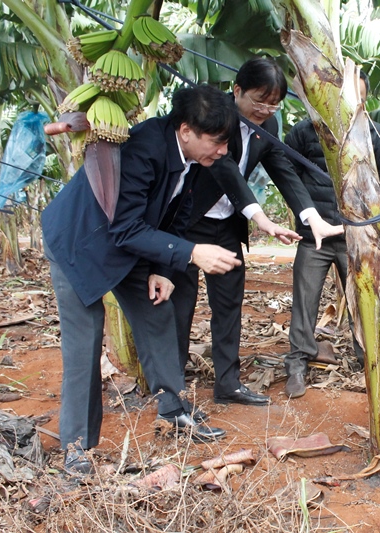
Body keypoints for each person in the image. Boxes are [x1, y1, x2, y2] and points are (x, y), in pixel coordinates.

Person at [42, 85, 240, 475]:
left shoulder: (194, 161)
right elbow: (124, 228)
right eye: (216, 142)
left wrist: (164, 270)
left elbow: (180, 215)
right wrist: (192, 253)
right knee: (85, 342)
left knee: (157, 314)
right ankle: (77, 446)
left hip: (129, 242)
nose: (223, 152)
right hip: (81, 246)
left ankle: (176, 409)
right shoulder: (142, 150)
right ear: (186, 131)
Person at [170, 58, 342, 406]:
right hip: (187, 221)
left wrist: (310, 215)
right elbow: (225, 168)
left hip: (227, 225)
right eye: (259, 100)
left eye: (274, 103)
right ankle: (171, 384)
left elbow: (281, 167)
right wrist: (261, 219)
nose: (266, 109)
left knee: (229, 303)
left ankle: (227, 383)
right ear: (237, 92)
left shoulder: (271, 124)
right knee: (181, 302)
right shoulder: (215, 117)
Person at [282, 70, 380, 398]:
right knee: (305, 300)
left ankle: (369, 358)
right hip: (315, 237)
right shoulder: (306, 133)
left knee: (363, 300)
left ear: (364, 100)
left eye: (356, 98)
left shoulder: (377, 135)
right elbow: (287, 171)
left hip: (356, 237)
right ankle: (297, 362)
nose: (349, 104)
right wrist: (310, 211)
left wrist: (358, 210)